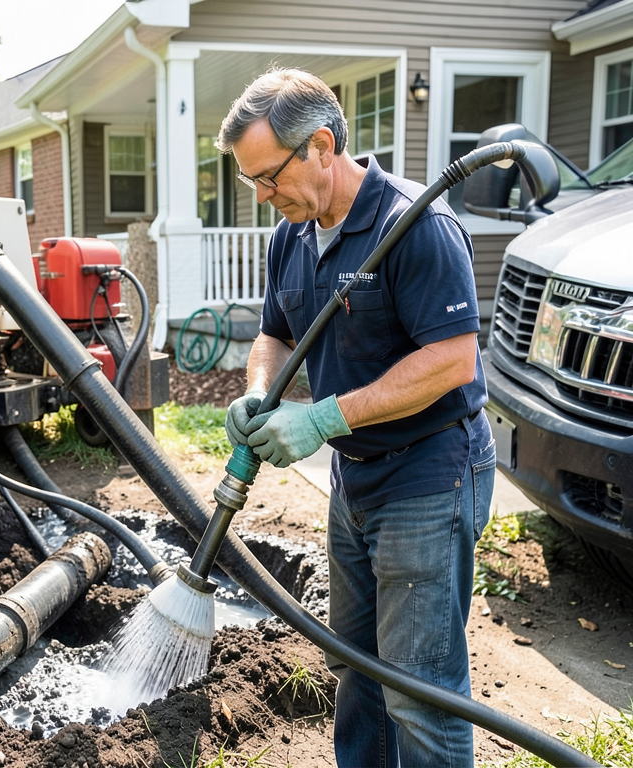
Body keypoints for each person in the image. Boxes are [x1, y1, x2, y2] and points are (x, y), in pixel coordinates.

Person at [217, 68, 495, 768]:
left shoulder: (416, 224)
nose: (261, 195)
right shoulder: (294, 230)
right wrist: (261, 390)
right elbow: (273, 333)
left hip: (428, 476)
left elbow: (452, 361)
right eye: (251, 180)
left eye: (267, 176)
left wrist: (321, 420)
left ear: (319, 144)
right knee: (356, 673)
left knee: (420, 693)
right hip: (356, 480)